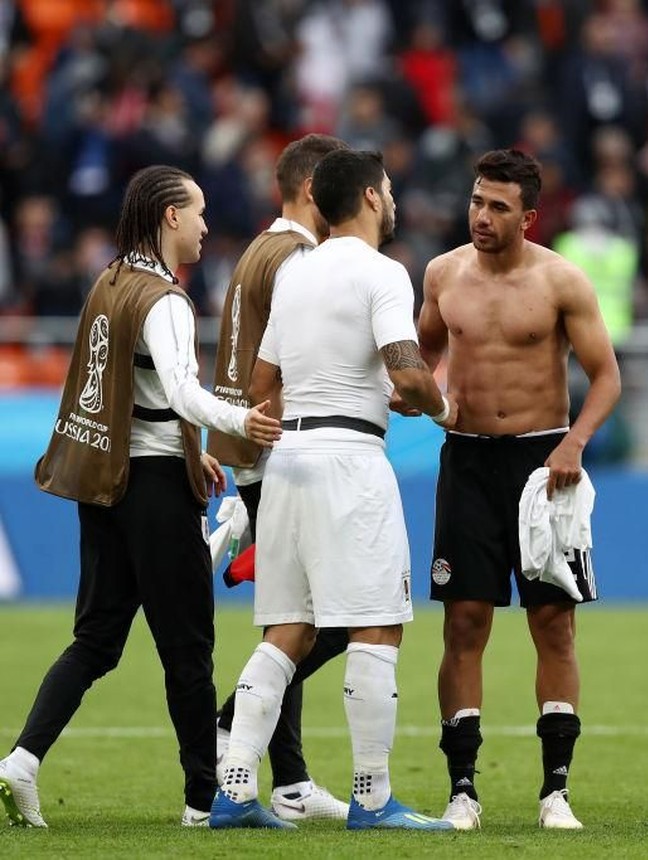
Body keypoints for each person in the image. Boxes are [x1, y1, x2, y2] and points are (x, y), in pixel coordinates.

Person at [0, 164, 281, 830]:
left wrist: (194, 451)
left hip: (107, 483)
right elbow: (182, 392)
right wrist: (242, 423)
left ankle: (20, 763)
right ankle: (202, 802)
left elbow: (134, 395)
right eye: (201, 211)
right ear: (171, 217)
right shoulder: (165, 299)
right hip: (152, 491)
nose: (209, 225)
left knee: (96, 640)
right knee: (188, 650)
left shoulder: (109, 280)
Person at [210, 148, 458, 832]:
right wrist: (440, 409)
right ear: (373, 198)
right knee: (377, 624)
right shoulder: (383, 273)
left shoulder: (297, 273)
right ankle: (373, 798)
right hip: (351, 460)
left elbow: (262, 386)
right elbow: (408, 374)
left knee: (288, 628)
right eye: (388, 189)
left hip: (288, 460)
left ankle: (232, 789)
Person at [417, 149, 621, 831]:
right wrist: (421, 395)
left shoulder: (562, 282)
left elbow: (608, 377)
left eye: (498, 207)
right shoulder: (443, 274)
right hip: (467, 461)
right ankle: (462, 790)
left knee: (553, 626)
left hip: (545, 465)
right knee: (464, 622)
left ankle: (555, 792)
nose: (481, 216)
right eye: (477, 201)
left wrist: (572, 442)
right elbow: (419, 359)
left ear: (528, 217)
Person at [207, 133, 351, 821]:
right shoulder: (297, 257)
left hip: (251, 450)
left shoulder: (260, 250)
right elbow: (294, 362)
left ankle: (290, 778)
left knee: (293, 614)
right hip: (279, 448)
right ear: (311, 186)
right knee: (328, 619)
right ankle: (232, 724)